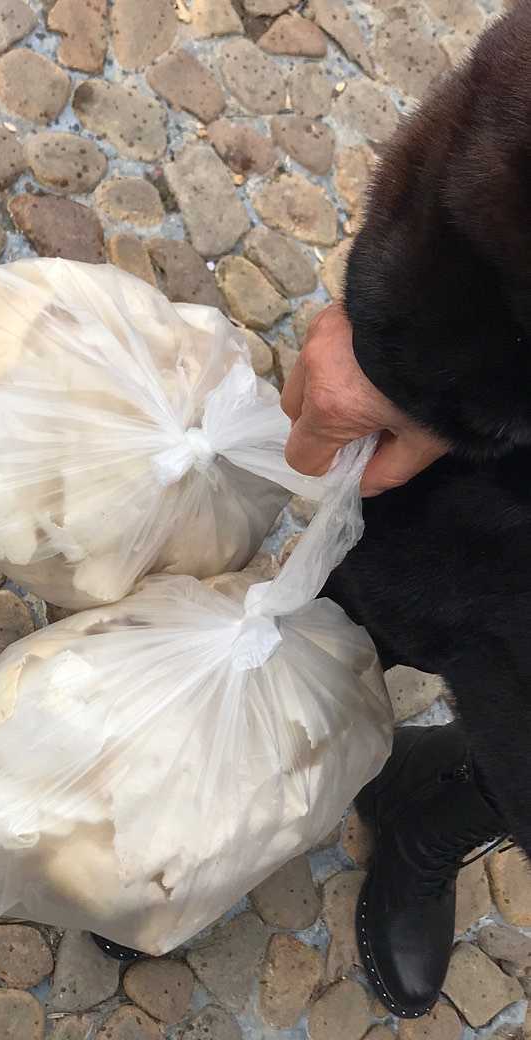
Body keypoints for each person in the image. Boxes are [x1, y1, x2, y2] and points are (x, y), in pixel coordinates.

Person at [280, 0, 531, 1019]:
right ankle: (230, 767)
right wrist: (434, 348)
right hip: (505, 499)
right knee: (372, 591)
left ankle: (439, 810)